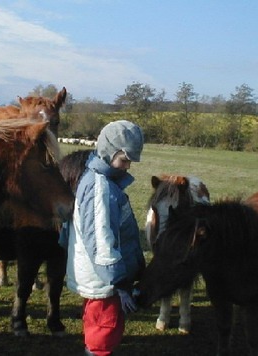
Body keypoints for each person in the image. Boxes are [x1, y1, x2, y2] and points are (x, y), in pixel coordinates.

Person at [60, 120, 146, 356]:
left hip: (101, 278)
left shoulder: (97, 178)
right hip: (105, 282)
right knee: (103, 333)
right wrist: (120, 284)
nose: (127, 166)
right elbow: (101, 243)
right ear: (109, 152)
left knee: (99, 328)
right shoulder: (100, 188)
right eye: (124, 160)